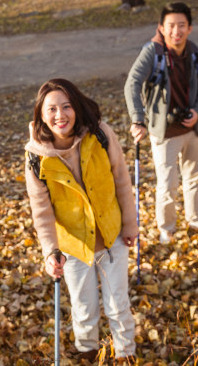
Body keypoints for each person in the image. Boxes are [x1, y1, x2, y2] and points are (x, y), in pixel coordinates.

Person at [24, 79, 138, 363]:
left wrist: (130, 224)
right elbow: (41, 211)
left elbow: (122, 181)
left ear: (77, 107)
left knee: (118, 304)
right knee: (84, 307)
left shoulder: (100, 135)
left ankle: (126, 354)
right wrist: (50, 251)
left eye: (66, 107)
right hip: (73, 246)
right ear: (40, 115)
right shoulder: (36, 157)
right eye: (51, 109)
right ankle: (88, 352)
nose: (60, 115)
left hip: (112, 236)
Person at [123, 2, 198, 244]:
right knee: (168, 184)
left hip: (191, 126)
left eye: (181, 25)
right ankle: (167, 227)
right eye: (171, 26)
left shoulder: (195, 53)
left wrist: (197, 110)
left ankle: (195, 220)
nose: (176, 31)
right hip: (163, 131)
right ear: (161, 27)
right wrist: (137, 119)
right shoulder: (153, 52)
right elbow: (132, 83)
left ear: (190, 28)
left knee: (194, 177)